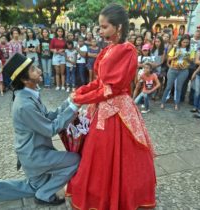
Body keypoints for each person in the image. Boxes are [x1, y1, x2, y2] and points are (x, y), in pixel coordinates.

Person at [66, 4, 157, 209]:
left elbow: (113, 88)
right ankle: (100, 193)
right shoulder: (108, 49)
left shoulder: (127, 50)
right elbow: (100, 82)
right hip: (101, 107)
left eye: (104, 27)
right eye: (100, 27)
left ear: (118, 27)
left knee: (114, 154)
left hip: (117, 109)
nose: (101, 31)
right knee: (96, 153)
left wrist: (83, 99)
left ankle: (118, 195)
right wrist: (82, 91)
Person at [0, 53, 80, 209]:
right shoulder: (24, 104)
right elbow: (50, 129)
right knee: (75, 160)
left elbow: (47, 116)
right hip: (34, 155)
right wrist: (75, 108)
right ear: (25, 80)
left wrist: (69, 102)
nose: (39, 71)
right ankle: (44, 195)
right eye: (34, 69)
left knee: (35, 186)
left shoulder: (28, 94)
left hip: (31, 153)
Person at [161, 35, 195, 110]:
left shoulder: (191, 49)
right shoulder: (176, 48)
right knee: (168, 86)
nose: (185, 44)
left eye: (187, 42)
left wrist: (188, 58)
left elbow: (192, 61)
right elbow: (169, 58)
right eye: (184, 42)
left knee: (179, 87)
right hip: (173, 69)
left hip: (183, 70)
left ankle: (176, 103)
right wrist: (175, 57)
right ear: (181, 41)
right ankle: (163, 102)